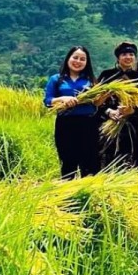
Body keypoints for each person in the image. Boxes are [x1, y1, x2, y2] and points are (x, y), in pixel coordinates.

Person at [43, 45, 100, 179]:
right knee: (68, 161)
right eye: (75, 57)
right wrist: (62, 99)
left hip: (88, 124)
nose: (78, 61)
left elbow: (97, 103)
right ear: (68, 59)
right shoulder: (56, 79)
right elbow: (47, 100)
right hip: (65, 124)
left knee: (89, 162)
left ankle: (89, 193)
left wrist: (104, 96)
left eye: (82, 59)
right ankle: (69, 194)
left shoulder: (91, 80)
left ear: (87, 62)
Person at [97, 41, 138, 169]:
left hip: (132, 125)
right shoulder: (106, 75)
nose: (128, 57)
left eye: (131, 54)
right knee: (107, 157)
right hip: (107, 123)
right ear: (118, 57)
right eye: (124, 54)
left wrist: (131, 110)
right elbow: (96, 100)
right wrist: (109, 111)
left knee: (130, 159)